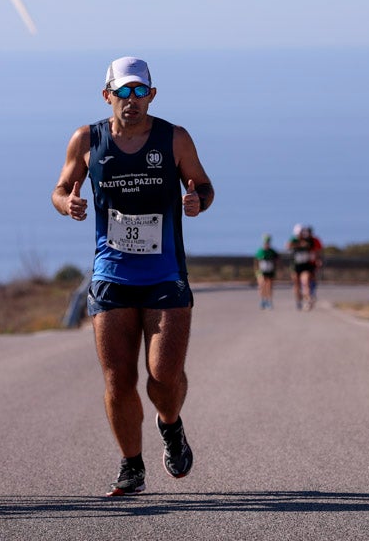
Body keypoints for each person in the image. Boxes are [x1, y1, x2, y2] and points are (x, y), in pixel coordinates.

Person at [51, 56, 215, 497]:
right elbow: (61, 188)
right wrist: (68, 203)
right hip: (111, 274)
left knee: (162, 378)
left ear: (152, 95)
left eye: (139, 91)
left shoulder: (174, 138)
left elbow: (203, 184)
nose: (132, 100)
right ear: (107, 95)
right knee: (118, 380)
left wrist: (197, 199)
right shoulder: (87, 139)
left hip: (165, 275)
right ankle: (131, 466)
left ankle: (171, 424)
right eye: (122, 92)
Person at [287, 224, 322, 311]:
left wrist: (317, 260)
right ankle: (298, 300)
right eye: (299, 233)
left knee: (305, 282)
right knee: (296, 285)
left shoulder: (309, 241)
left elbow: (314, 251)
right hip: (295, 266)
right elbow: (288, 246)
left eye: (302, 233)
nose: (301, 235)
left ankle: (308, 300)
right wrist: (298, 245)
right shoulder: (293, 241)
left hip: (305, 265)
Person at [253, 233, 279, 309]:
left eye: (268, 243)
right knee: (262, 285)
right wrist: (256, 271)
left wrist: (276, 268)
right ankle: (263, 300)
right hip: (261, 271)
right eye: (265, 243)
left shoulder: (272, 251)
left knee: (269, 286)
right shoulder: (260, 251)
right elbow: (256, 261)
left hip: (270, 270)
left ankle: (269, 301)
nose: (267, 244)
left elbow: (277, 260)